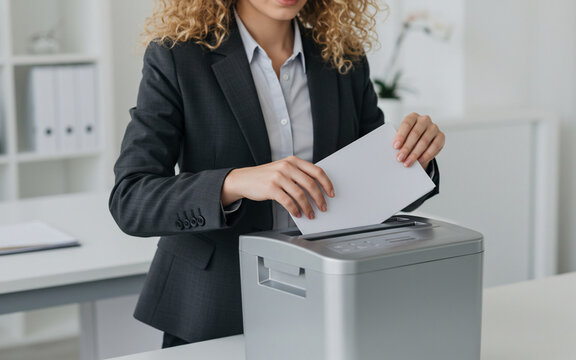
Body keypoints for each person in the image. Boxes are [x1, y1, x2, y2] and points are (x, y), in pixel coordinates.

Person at [109, 0, 445, 349]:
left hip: (326, 299)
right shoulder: (178, 58)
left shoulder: (343, 58)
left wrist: (416, 158)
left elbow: (375, 182)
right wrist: (235, 183)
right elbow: (131, 199)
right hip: (214, 307)